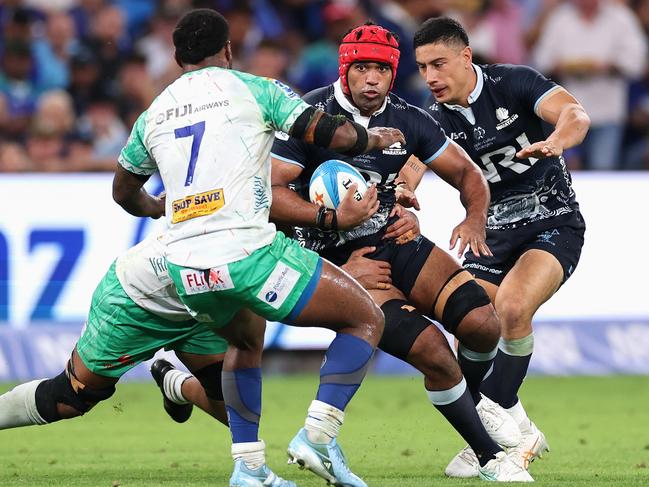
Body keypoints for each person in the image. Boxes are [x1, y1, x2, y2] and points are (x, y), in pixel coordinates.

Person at [111, 9, 406, 487]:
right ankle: (319, 435)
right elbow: (329, 132)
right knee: (366, 316)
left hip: (186, 267)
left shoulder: (154, 113)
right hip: (247, 253)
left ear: (176, 56)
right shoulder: (255, 88)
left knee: (245, 343)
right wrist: (371, 137)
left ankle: (248, 468)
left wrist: (153, 207)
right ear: (228, 50)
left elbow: (123, 190)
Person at [271, 21, 532, 482]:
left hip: (396, 240)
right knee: (432, 349)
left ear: (393, 74)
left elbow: (469, 176)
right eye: (362, 68)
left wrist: (473, 219)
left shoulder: (408, 118)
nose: (372, 79)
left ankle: (469, 404)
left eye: (381, 70)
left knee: (481, 323)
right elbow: (269, 196)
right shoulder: (310, 115)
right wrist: (331, 239)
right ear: (345, 70)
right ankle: (490, 457)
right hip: (342, 262)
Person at [405, 16, 589, 477]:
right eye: (423, 67)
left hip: (553, 225)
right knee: (471, 325)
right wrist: (403, 193)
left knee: (511, 306)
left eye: (439, 63)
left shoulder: (515, 83)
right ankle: (510, 433)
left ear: (466, 57)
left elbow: (575, 114)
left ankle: (496, 412)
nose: (430, 77)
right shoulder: (431, 118)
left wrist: (555, 141)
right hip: (491, 239)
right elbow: (409, 165)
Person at [0, 234, 234, 434]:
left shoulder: (258, 227)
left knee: (238, 407)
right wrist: (152, 204)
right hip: (140, 297)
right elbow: (124, 193)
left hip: (204, 298)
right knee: (70, 398)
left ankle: (176, 386)